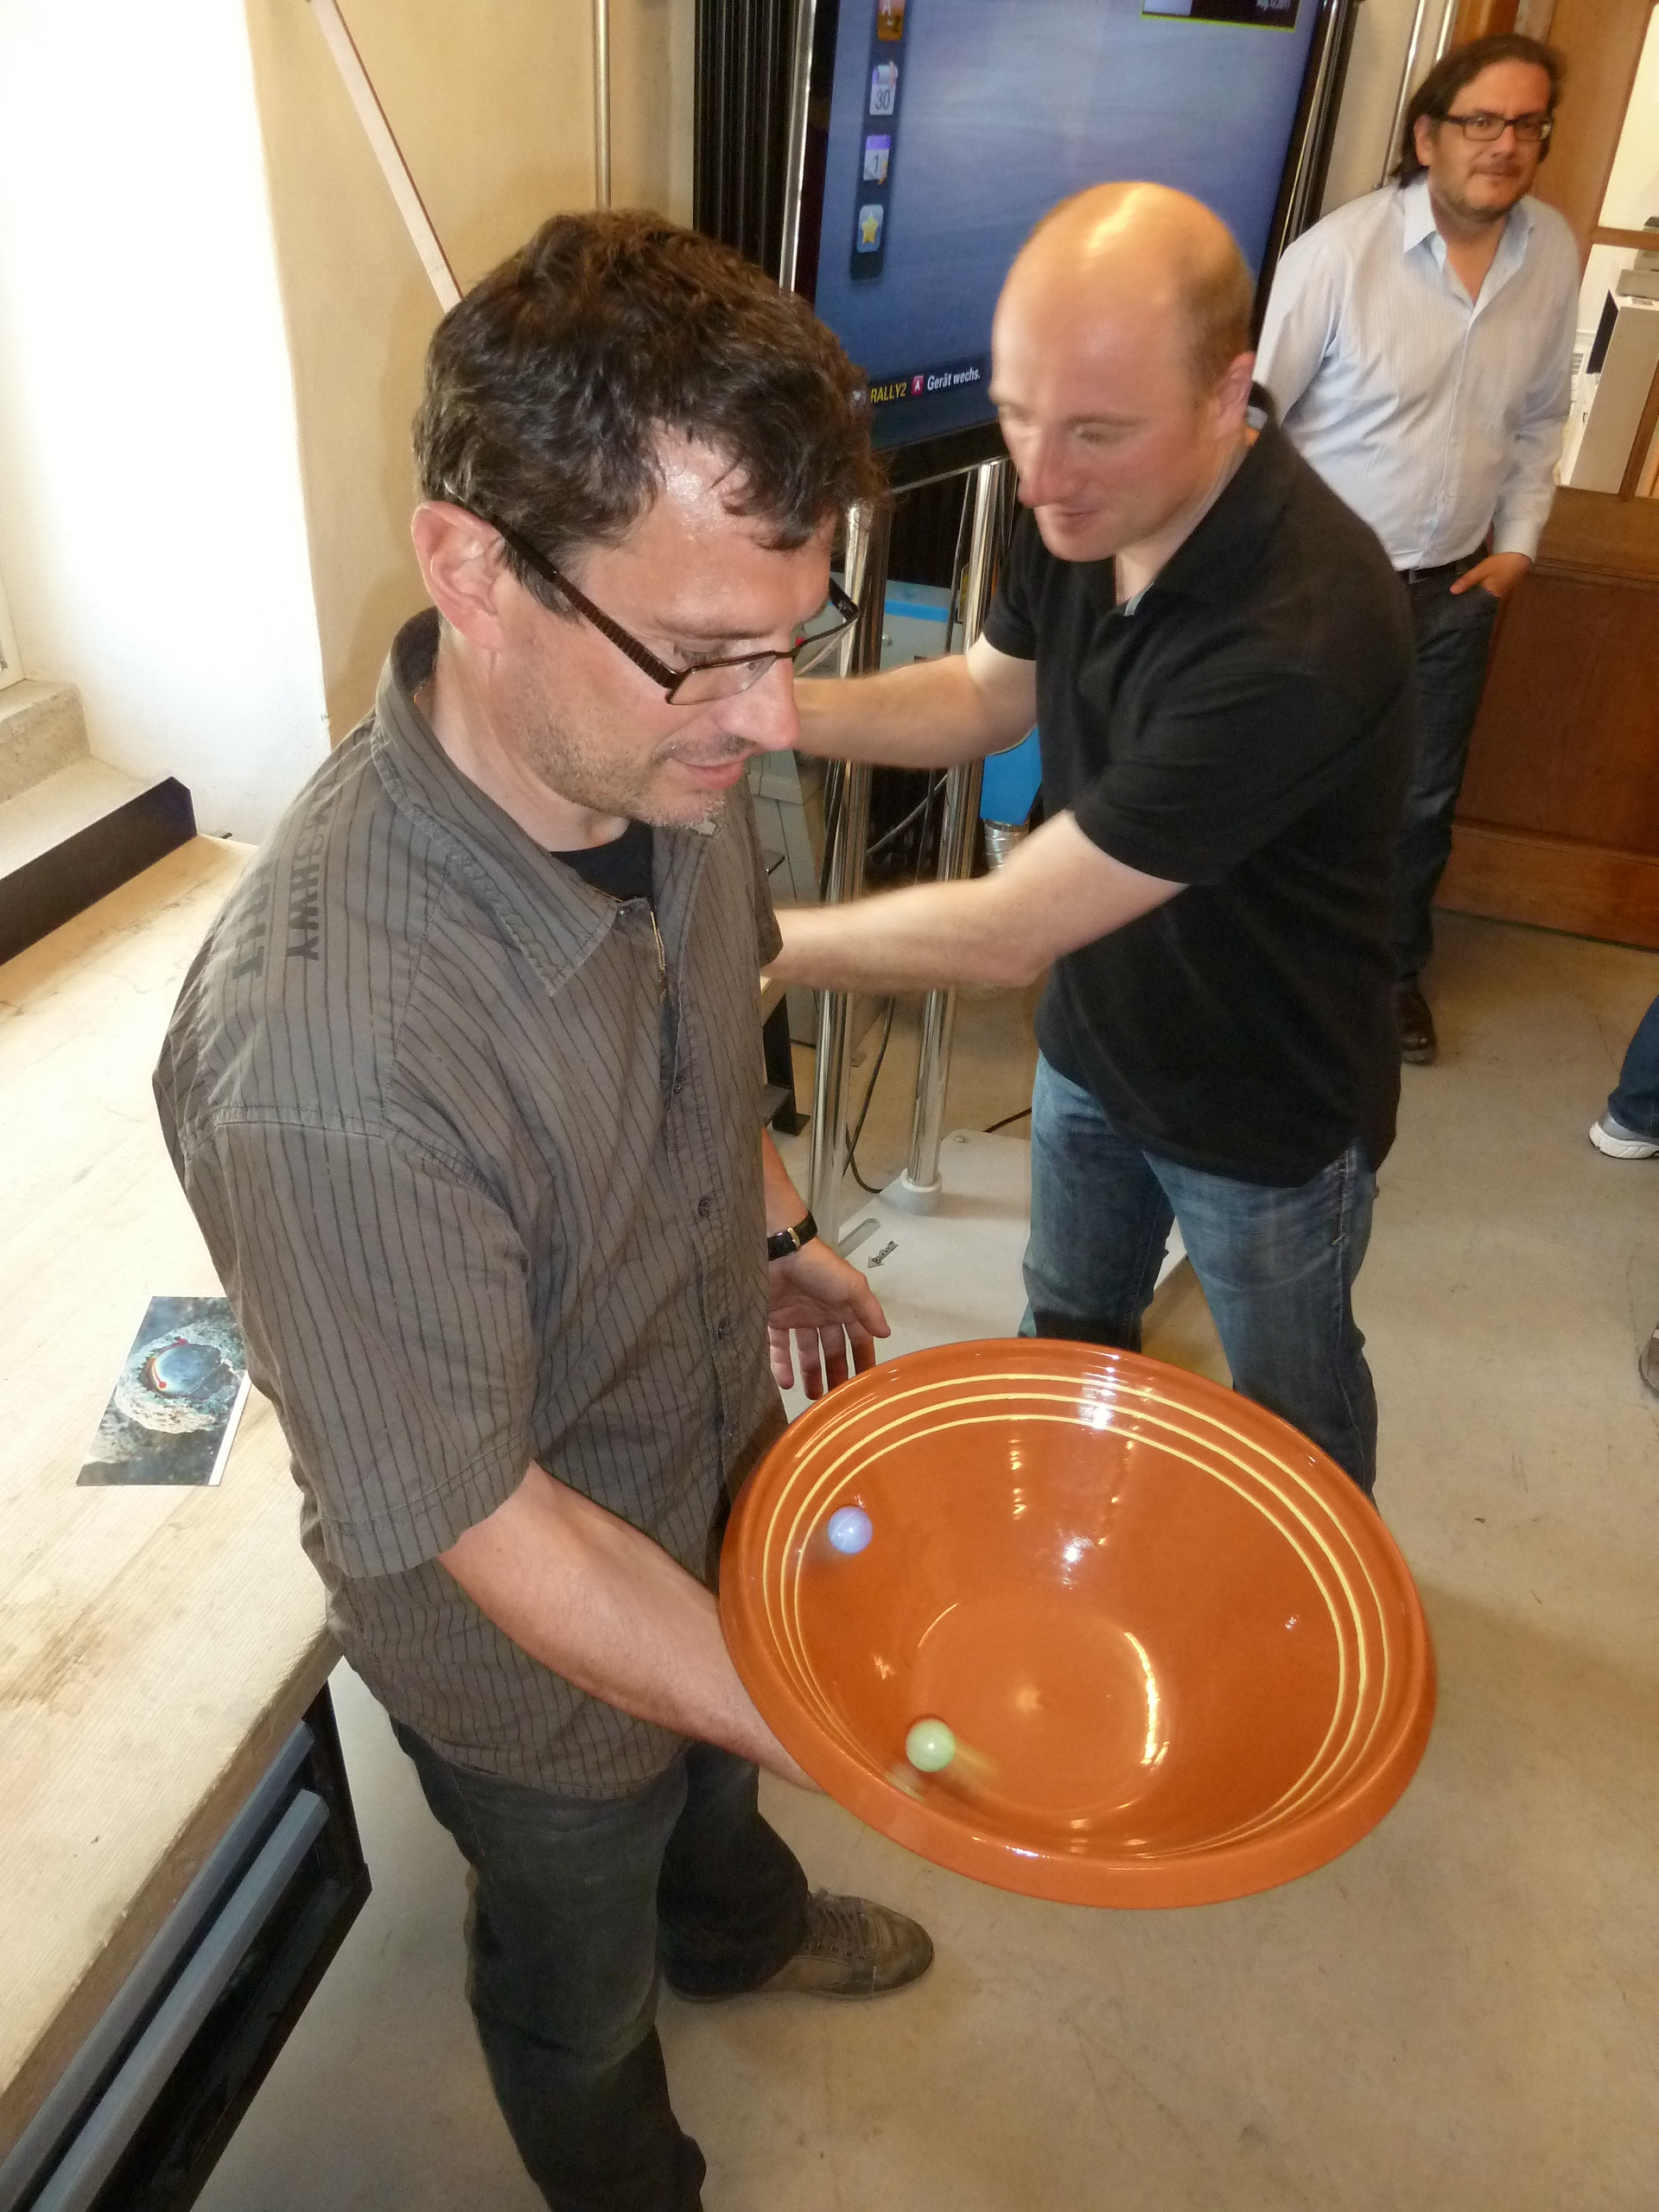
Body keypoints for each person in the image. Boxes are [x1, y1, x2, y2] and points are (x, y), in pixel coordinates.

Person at [153, 212, 931, 2212]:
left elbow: (711, 1030)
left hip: (711, 1463)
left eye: (796, 638)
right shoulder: (329, 1063)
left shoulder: (664, 758)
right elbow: (493, 1522)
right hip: (536, 1658)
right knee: (578, 1975)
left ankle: (741, 1925)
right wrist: (838, 1719)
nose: (771, 719)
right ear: (472, 568)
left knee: (722, 1799)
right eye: (710, 650)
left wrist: (777, 1231)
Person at [772, 182, 1414, 1497]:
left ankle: (1331, 1584)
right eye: (1020, 414)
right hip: (1095, 1047)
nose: (1041, 475)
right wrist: (773, 710)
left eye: (1097, 433)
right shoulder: (1079, 503)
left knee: (1292, 1410)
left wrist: (751, 939)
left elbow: (1008, 931)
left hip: (1265, 1101)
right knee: (1065, 1337)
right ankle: (1068, 1553)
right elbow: (983, 695)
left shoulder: (1304, 631)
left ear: (1229, 392)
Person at [1256, 32, 1578, 1066]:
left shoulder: (1551, 251)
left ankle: (1386, 978)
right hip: (1321, 589)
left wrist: (1518, 545)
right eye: (1481, 121)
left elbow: (1542, 415)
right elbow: (1252, 424)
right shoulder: (1338, 256)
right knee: (1284, 784)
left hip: (1457, 587)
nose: (1505, 144)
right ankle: (1257, 981)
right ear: (1428, 135)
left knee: (1420, 799)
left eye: (1526, 123)